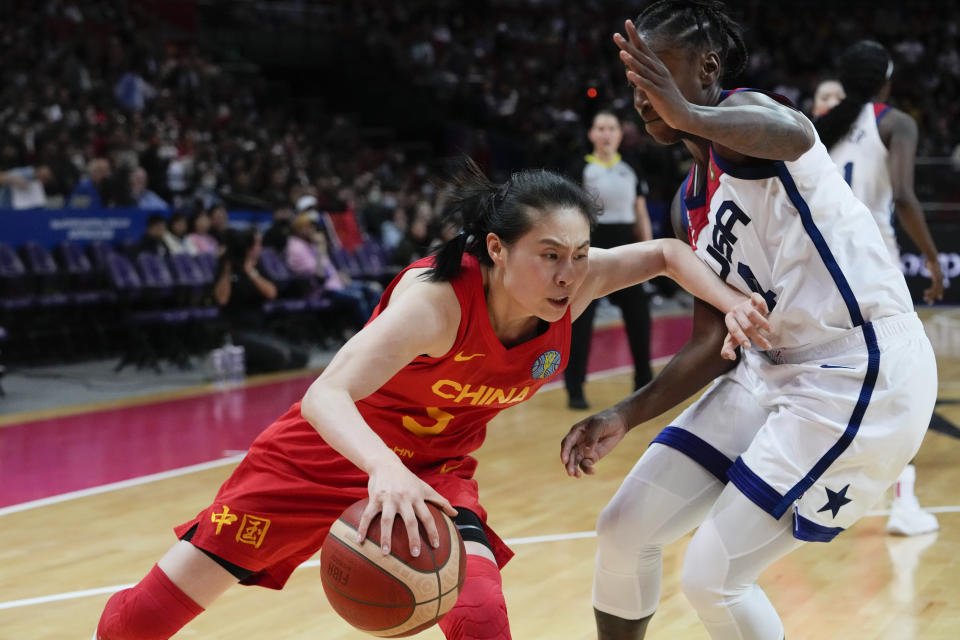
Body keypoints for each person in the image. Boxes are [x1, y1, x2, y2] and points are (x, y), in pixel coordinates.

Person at [94, 158, 769, 640]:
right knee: (145, 622)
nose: (569, 274)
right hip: (317, 460)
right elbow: (326, 395)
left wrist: (735, 304)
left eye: (580, 254)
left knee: (480, 619)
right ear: (498, 250)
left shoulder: (578, 283)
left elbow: (667, 255)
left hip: (433, 473)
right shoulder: (434, 306)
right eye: (550, 255)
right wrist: (382, 467)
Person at [559, 3, 938, 640]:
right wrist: (622, 414)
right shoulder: (688, 203)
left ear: (707, 68)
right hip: (769, 373)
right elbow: (712, 345)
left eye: (659, 71)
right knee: (623, 529)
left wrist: (691, 115)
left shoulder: (760, 123)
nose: (643, 94)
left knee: (713, 576)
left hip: (860, 367)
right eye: (636, 80)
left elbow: (786, 132)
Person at [814, 40, 945, 536]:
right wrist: (932, 260)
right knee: (900, 393)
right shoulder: (896, 122)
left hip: (819, 272)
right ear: (888, 80)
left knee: (822, 386)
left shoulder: (819, 130)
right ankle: (902, 503)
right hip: (875, 273)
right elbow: (906, 197)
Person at [565, 109, 655, 410]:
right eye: (600, 128)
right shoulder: (580, 167)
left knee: (640, 318)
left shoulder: (631, 167)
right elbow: (570, 215)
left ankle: (644, 383)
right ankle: (574, 387)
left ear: (620, 134)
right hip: (590, 249)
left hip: (626, 250)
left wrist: (650, 252)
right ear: (591, 134)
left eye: (611, 128)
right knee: (580, 322)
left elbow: (640, 213)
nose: (605, 134)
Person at [210, 229, 309, 375]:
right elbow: (222, 299)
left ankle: (255, 364)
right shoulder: (226, 266)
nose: (260, 247)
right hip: (238, 331)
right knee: (281, 356)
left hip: (260, 329)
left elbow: (271, 293)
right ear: (247, 247)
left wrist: (251, 272)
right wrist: (227, 270)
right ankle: (248, 367)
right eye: (257, 244)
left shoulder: (256, 266)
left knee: (301, 357)